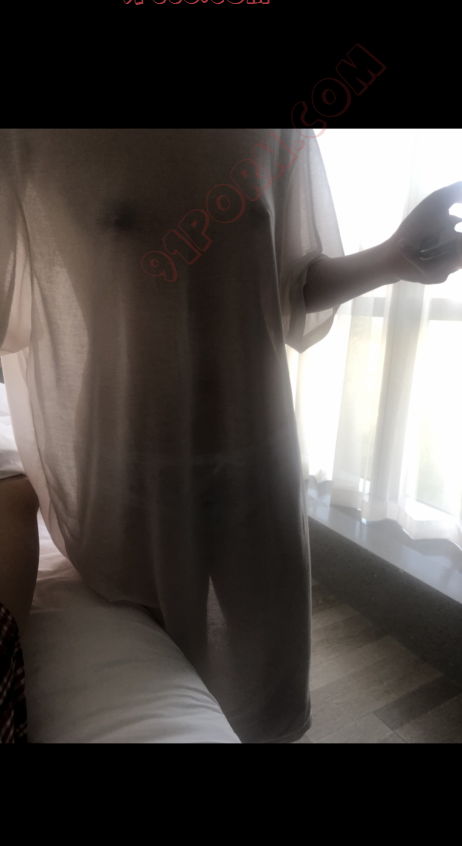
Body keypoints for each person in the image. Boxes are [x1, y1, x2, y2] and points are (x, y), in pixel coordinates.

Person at [1, 127, 461, 744]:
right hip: (125, 443)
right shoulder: (28, 139)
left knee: (266, 649)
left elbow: (292, 285)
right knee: (150, 650)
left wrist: (394, 258)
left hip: (256, 436)